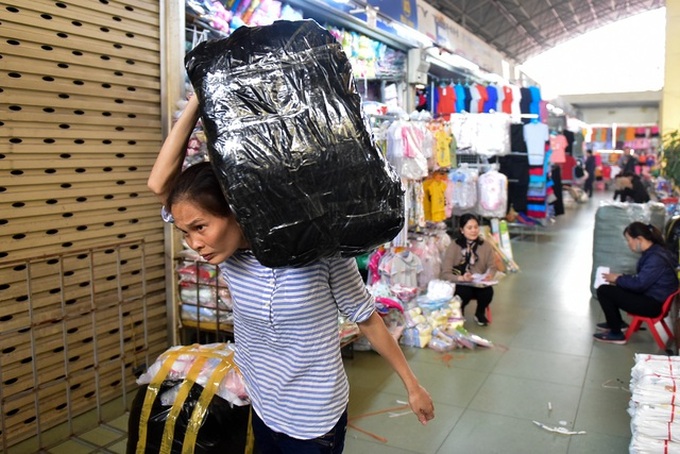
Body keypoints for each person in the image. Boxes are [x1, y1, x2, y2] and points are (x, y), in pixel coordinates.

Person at [148, 95, 435, 453]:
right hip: (263, 404)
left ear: (238, 212)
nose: (196, 244)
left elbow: (368, 319)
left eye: (200, 227)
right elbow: (160, 186)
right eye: (185, 233)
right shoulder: (230, 254)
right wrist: (197, 101)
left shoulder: (317, 250)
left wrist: (412, 385)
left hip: (315, 419)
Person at [594, 222, 679, 344]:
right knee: (613, 287)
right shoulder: (657, 251)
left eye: (629, 240)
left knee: (603, 290)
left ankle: (616, 333)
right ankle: (617, 323)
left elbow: (639, 284)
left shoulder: (654, 258)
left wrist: (618, 279)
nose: (629, 244)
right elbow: (644, 278)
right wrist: (622, 277)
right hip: (655, 298)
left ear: (639, 239)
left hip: (652, 305)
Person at [440, 213, 497, 326]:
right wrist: (461, 278)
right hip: (460, 282)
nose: (473, 231)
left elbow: (492, 266)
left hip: (478, 283)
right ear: (462, 230)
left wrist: (489, 275)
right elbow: (445, 273)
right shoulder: (454, 246)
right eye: (469, 228)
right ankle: (459, 313)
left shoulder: (485, 245)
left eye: (476, 227)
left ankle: (479, 313)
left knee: (487, 292)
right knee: (463, 292)